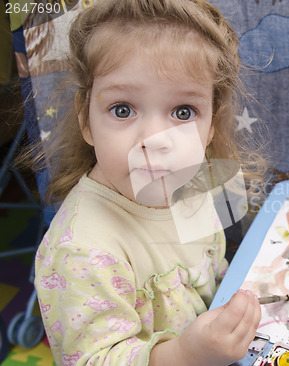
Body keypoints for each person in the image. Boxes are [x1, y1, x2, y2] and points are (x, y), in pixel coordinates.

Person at [31, 0, 266, 364]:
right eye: (123, 109)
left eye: (183, 112)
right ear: (86, 119)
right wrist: (188, 355)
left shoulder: (197, 183)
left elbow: (213, 269)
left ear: (210, 127)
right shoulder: (81, 252)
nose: (156, 139)